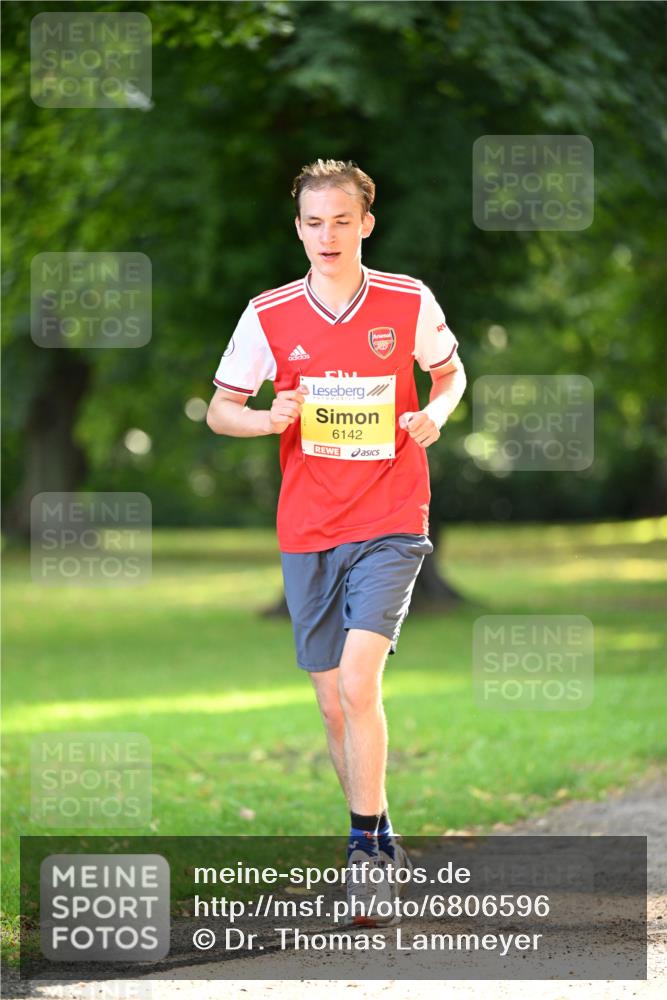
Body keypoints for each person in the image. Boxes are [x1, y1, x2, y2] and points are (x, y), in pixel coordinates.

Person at [206, 158, 467, 926]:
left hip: (391, 514)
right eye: (314, 222)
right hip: (307, 527)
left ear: (365, 225)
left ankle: (361, 853)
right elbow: (221, 410)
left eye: (341, 221)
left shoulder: (406, 299)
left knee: (358, 684)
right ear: (298, 229)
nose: (328, 234)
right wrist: (268, 417)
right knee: (330, 703)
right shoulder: (268, 313)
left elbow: (450, 377)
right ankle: (382, 831)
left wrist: (436, 416)